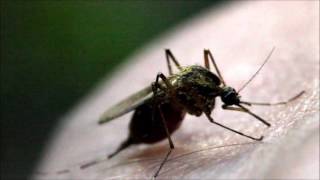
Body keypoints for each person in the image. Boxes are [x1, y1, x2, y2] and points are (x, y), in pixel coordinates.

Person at [34, 1, 319, 179]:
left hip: (175, 99)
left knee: (182, 79)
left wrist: (270, 108)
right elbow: (212, 114)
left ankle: (129, 144)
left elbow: (221, 98)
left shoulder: (214, 85)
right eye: (228, 96)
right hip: (154, 119)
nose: (230, 98)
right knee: (172, 85)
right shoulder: (206, 89)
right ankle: (155, 145)